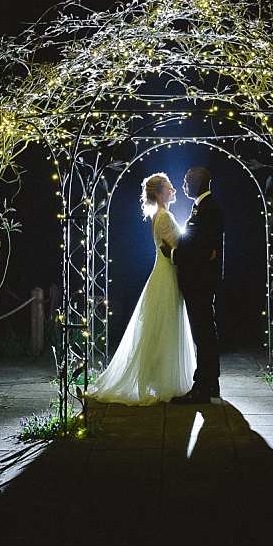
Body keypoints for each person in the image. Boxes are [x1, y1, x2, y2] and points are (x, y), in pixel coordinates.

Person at [85, 173, 195, 404]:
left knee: (163, 327)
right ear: (158, 193)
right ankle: (160, 380)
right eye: (169, 187)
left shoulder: (163, 215)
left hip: (167, 273)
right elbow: (172, 248)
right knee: (164, 327)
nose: (173, 190)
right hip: (166, 275)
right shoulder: (163, 216)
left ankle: (162, 377)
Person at [165, 166, 222, 403]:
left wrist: (174, 254)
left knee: (203, 334)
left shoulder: (208, 209)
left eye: (187, 181)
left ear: (198, 182)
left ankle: (202, 387)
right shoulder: (202, 207)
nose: (184, 185)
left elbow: (203, 250)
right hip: (200, 280)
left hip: (200, 281)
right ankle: (211, 384)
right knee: (206, 332)